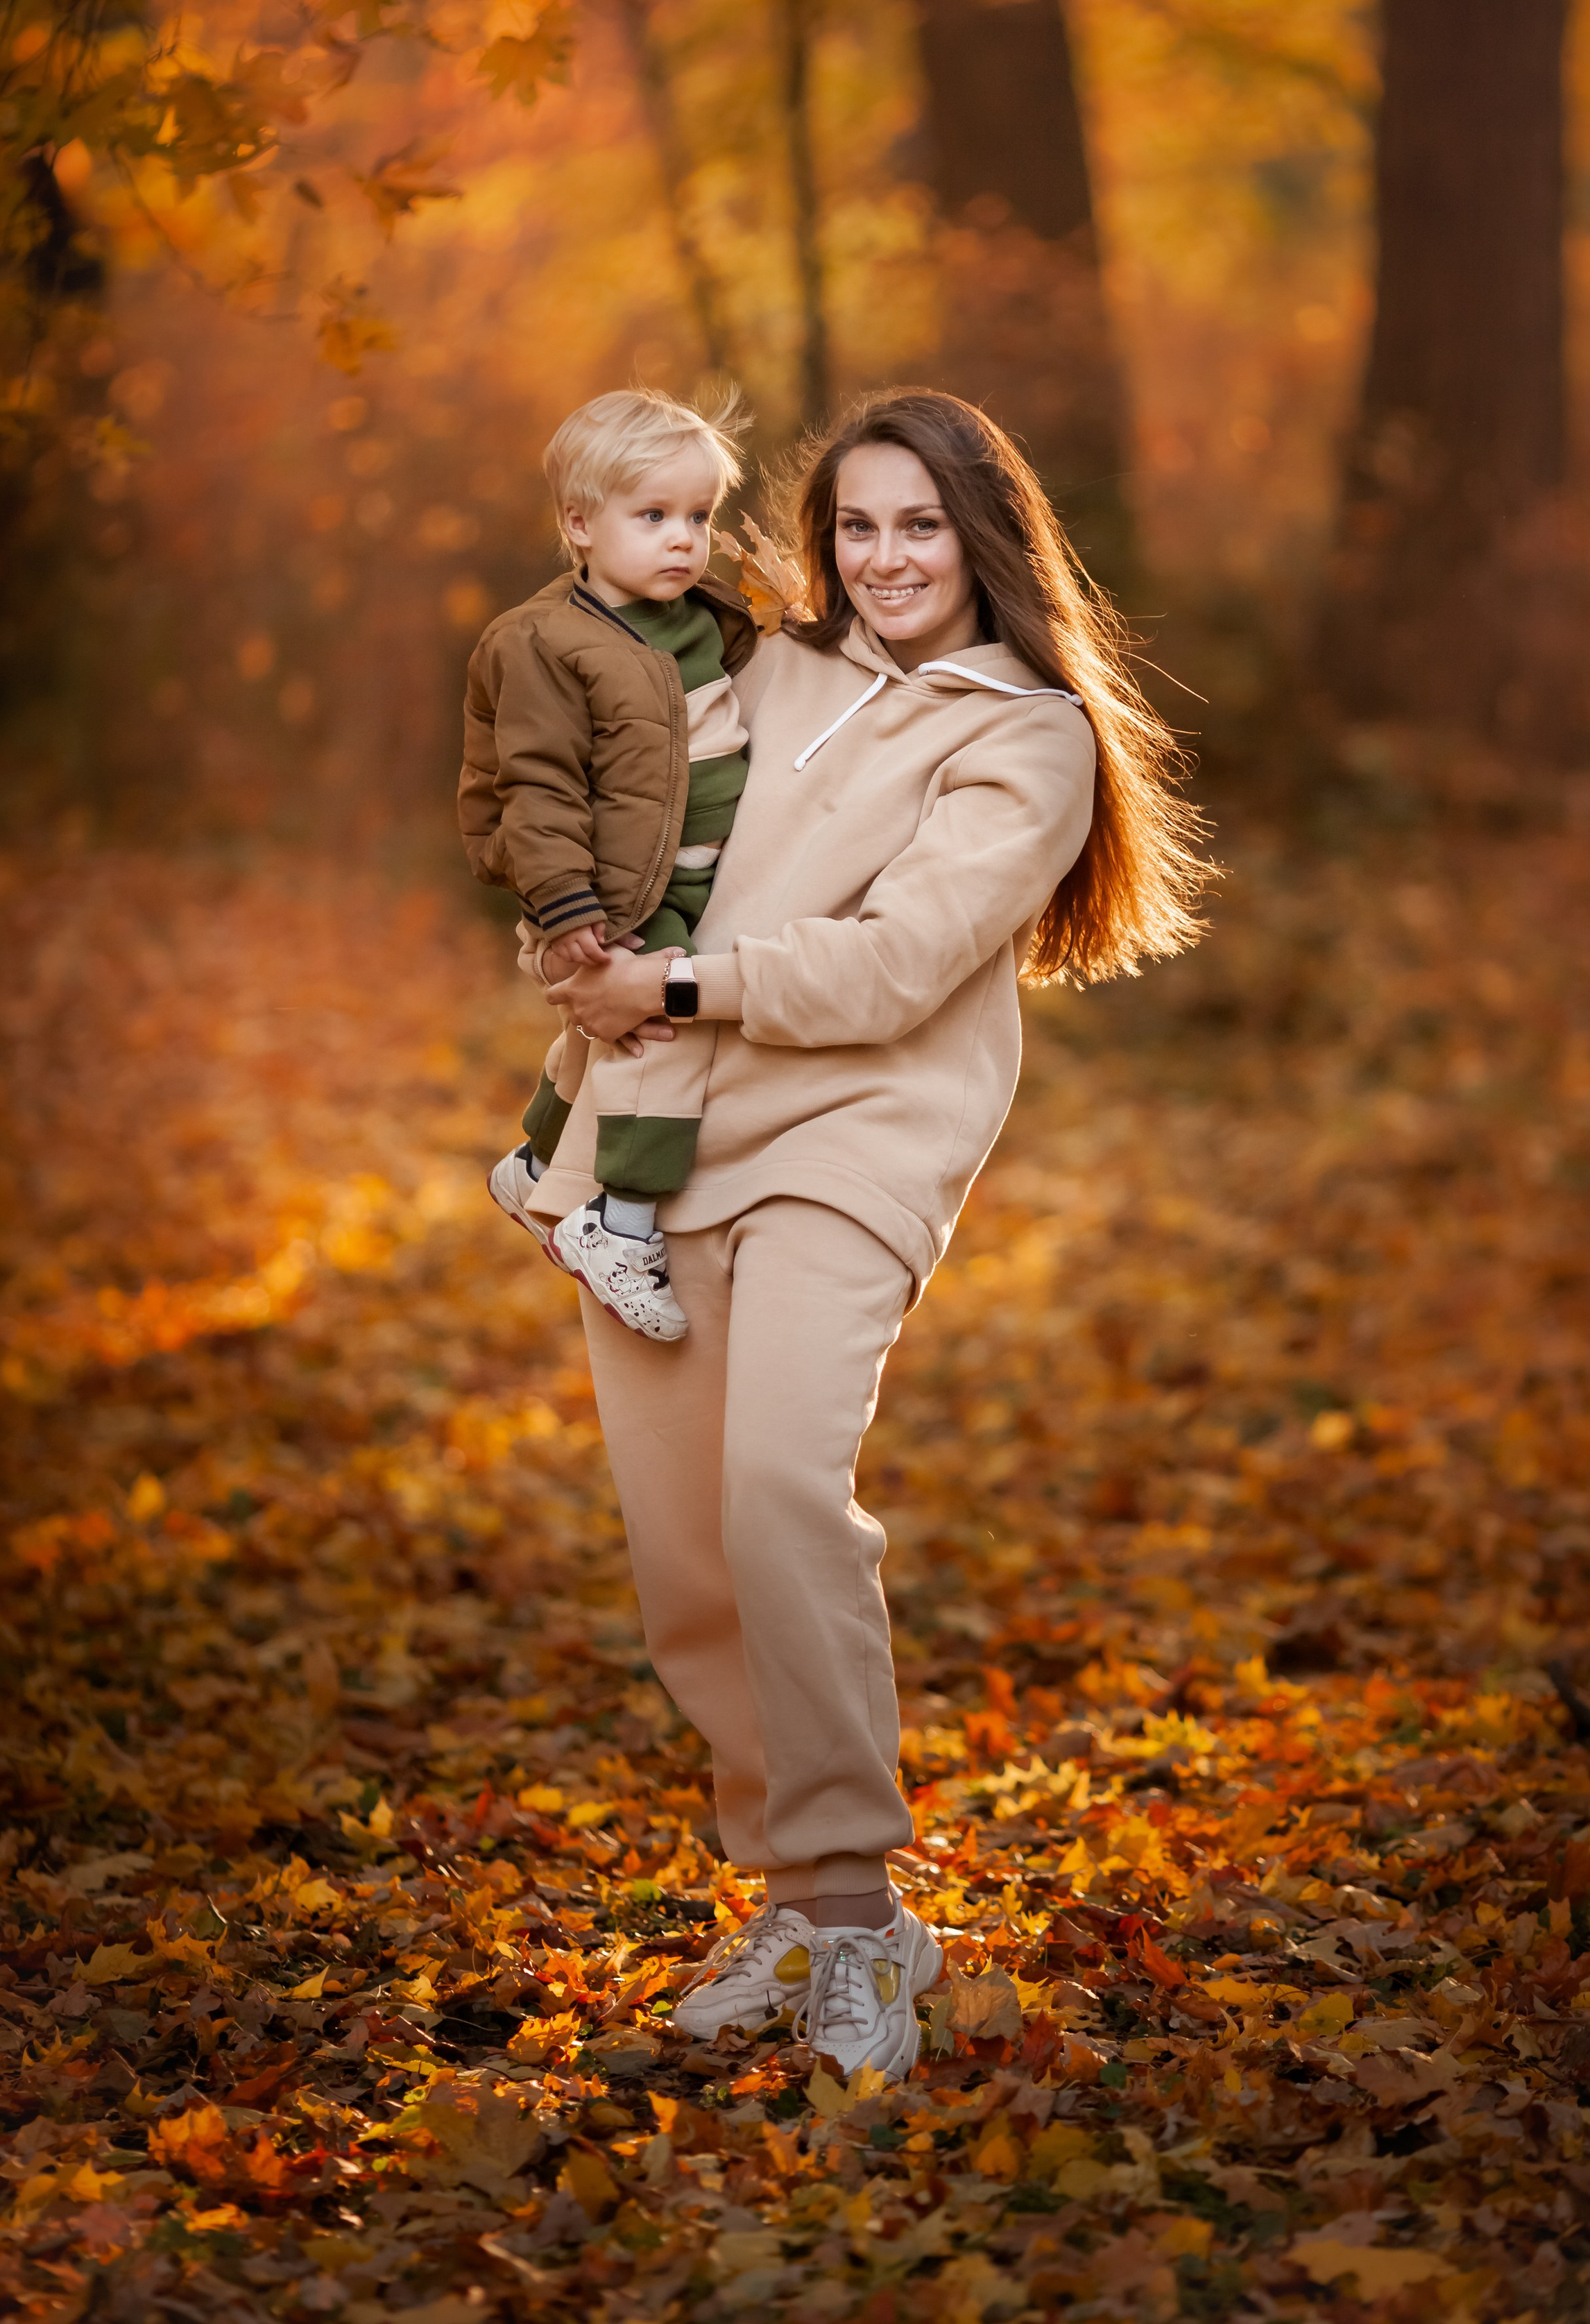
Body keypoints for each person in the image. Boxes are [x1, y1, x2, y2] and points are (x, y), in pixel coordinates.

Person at [527, 389, 1208, 2083]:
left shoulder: (1028, 736)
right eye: (854, 526)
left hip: (857, 1140)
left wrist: (675, 979)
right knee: (686, 1545)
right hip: (666, 1133)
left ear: (982, 537)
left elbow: (897, 964)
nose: (884, 557)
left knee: (777, 1493)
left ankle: (853, 1926)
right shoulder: (767, 668)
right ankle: (788, 1890)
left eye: (918, 526)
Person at [459, 386, 757, 1342]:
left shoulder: (700, 613)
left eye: (700, 516)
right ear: (580, 525)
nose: (685, 539)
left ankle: (540, 1164)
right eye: (655, 516)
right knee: (661, 1039)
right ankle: (618, 1223)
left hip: (687, 869)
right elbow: (536, 784)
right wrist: (564, 902)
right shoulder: (546, 642)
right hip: (617, 892)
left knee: (598, 1034)